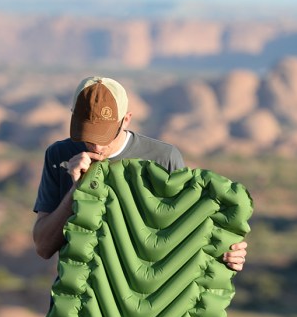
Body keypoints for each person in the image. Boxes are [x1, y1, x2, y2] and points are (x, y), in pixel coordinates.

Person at [32, 76, 248, 270]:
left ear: (126, 120)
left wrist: (227, 252)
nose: (96, 147)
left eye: (104, 135)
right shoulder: (59, 155)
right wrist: (78, 189)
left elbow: (189, 231)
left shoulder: (162, 158)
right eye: (88, 134)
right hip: (80, 300)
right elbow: (43, 247)